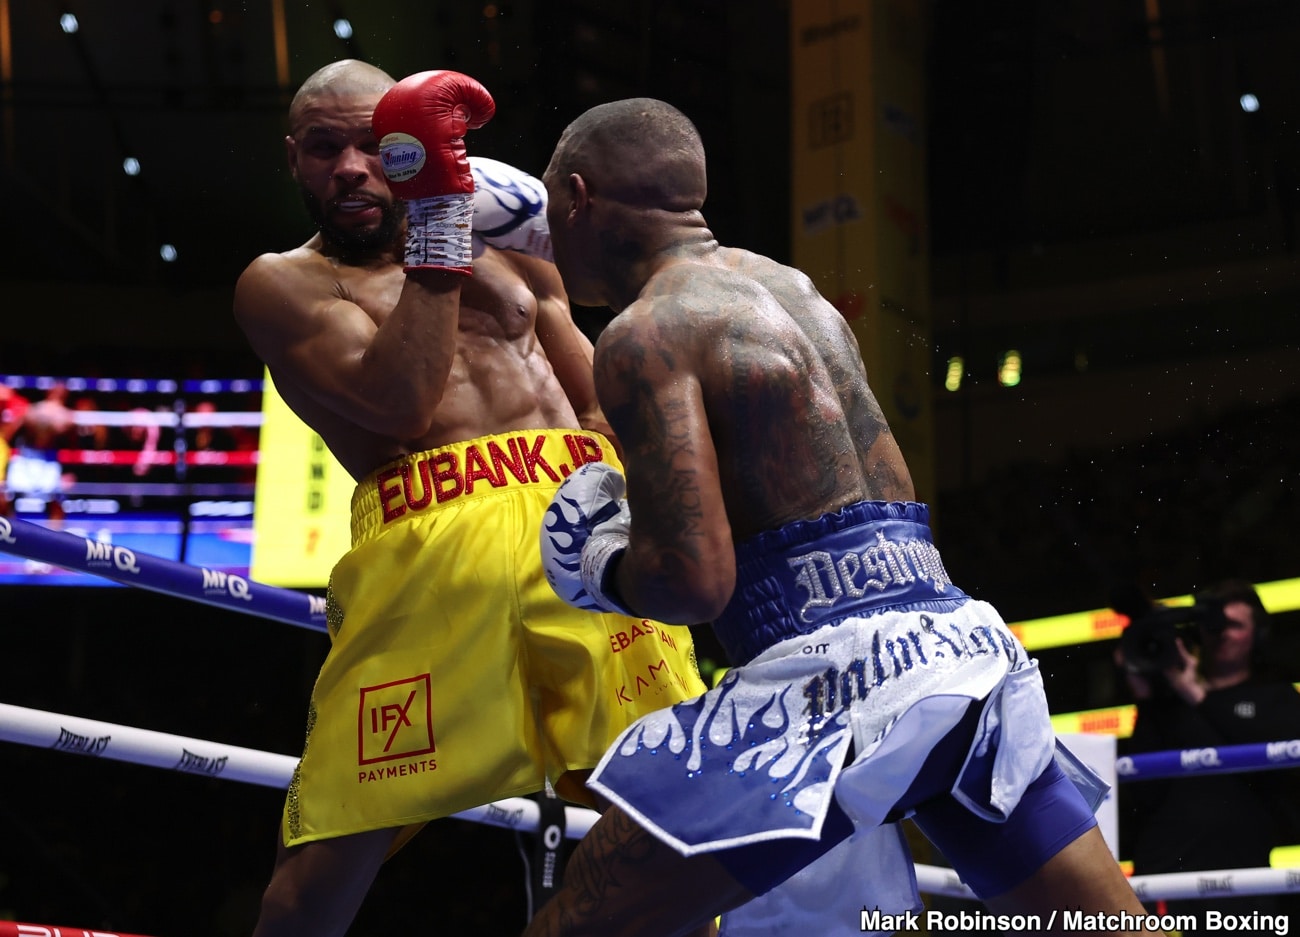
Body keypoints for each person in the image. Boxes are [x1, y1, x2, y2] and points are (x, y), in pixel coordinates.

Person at [526, 97, 1166, 937]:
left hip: (830, 684)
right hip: (956, 650)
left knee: (577, 920)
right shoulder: (797, 293)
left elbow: (694, 579)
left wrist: (600, 558)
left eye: (552, 206)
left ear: (578, 196)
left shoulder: (647, 332)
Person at [232, 63, 706, 936]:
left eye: (377, 144)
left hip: (580, 523)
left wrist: (642, 506)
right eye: (326, 148)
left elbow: (594, 399)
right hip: (430, 545)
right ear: (295, 158)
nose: (352, 168)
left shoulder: (509, 241)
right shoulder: (284, 284)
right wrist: (441, 227)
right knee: (330, 850)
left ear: (413, 148)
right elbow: (399, 402)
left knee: (679, 811)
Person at [1117, 578, 1300, 930]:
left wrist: (1197, 695)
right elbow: (1143, 793)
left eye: (1234, 625)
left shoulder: (1276, 698)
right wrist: (1147, 697)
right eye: (1214, 624)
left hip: (1242, 886)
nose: (1222, 633)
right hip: (1164, 881)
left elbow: (1277, 772)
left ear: (1258, 634)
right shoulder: (1168, 704)